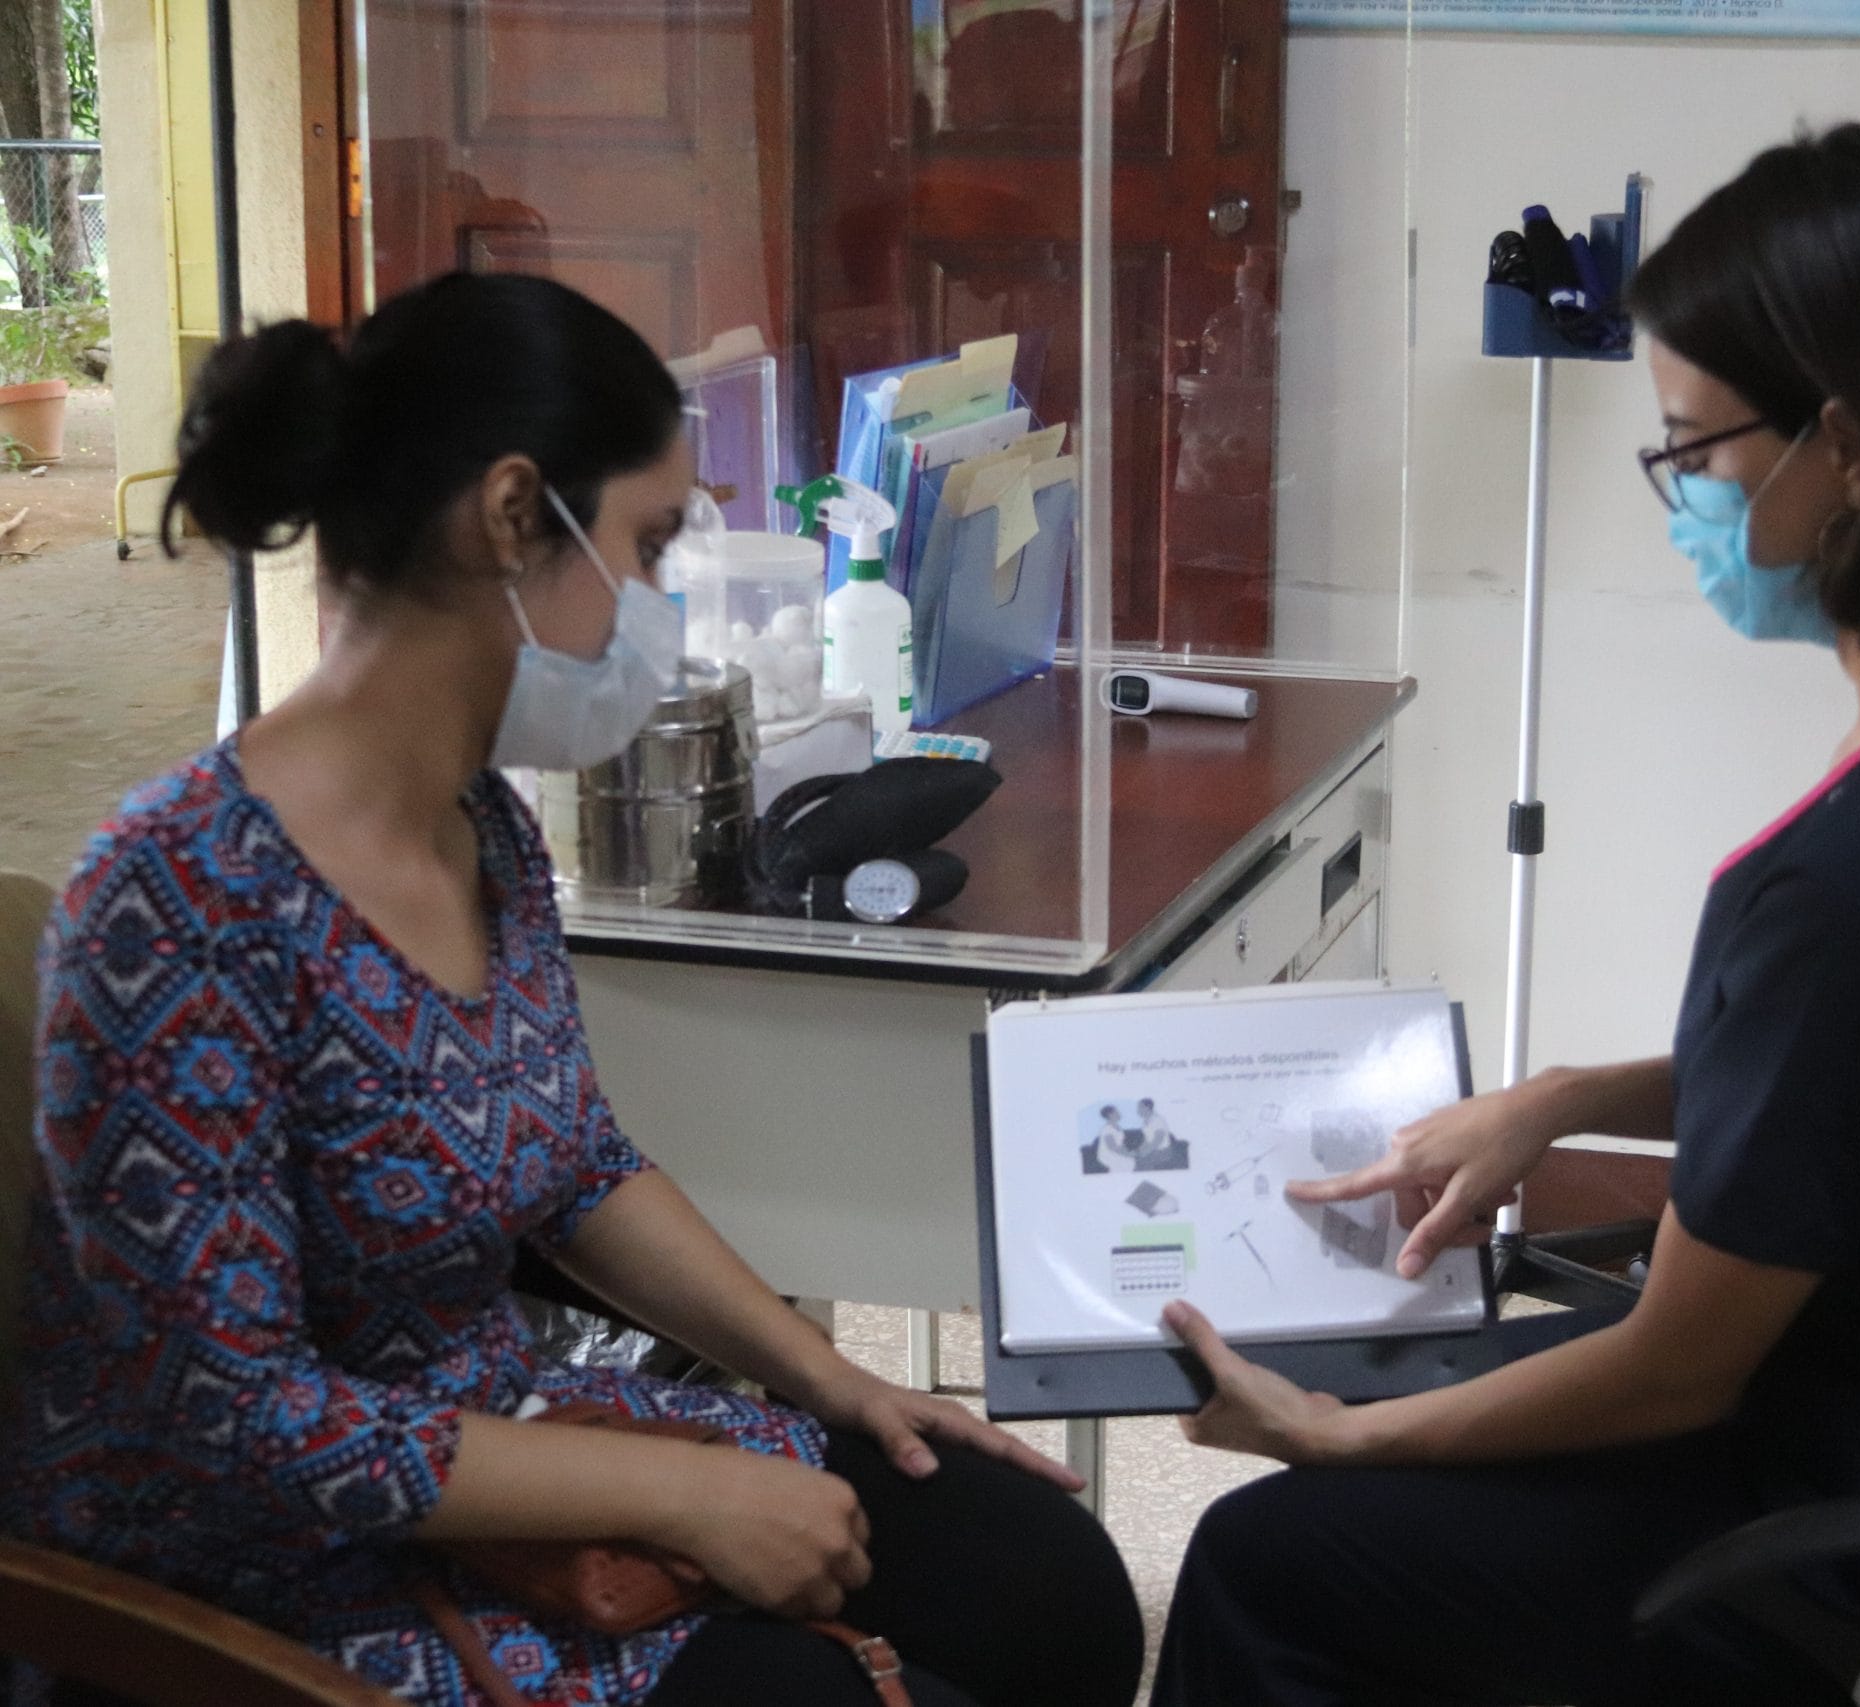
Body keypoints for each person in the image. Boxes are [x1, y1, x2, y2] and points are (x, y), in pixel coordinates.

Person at [1148, 123, 1860, 1706]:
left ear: (1849, 447)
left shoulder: (1858, 875)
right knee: (1457, 1388)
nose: (1676, 496)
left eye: (1691, 448)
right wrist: (1573, 1100)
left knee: (1276, 1557)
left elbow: (1679, 1371)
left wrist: (1342, 1438)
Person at [0, 274, 1143, 1707]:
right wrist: (676, 1499)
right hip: (266, 1572)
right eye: (651, 547)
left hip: (497, 1432)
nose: (665, 605)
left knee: (1051, 1592)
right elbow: (239, 1421)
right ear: (511, 514)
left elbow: (577, 1165)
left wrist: (829, 1381)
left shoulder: (482, 827)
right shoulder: (179, 905)